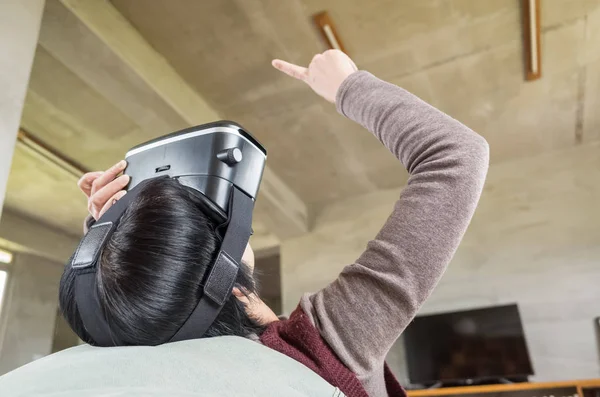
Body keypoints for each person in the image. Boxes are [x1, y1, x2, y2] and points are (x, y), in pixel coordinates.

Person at [59, 49, 489, 396]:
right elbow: (456, 154)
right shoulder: (331, 345)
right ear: (227, 271)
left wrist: (114, 243)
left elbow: (135, 315)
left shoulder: (130, 361)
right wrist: (347, 85)